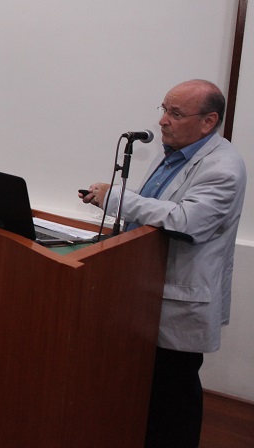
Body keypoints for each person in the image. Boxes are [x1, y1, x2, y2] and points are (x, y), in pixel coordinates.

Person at [80, 79, 246, 448]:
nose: (162, 121)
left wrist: (118, 198)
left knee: (174, 397)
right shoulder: (172, 152)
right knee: (146, 391)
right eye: (164, 109)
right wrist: (110, 199)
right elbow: (155, 207)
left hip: (178, 299)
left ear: (208, 121)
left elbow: (187, 222)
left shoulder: (224, 167)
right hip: (145, 290)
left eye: (176, 113)